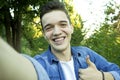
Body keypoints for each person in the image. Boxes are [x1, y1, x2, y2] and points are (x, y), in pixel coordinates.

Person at [34, 0, 120, 80]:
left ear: (71, 28)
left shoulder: (86, 54)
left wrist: (101, 76)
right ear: (44, 34)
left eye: (63, 24)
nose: (56, 32)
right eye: (49, 28)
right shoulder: (38, 64)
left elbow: (117, 72)